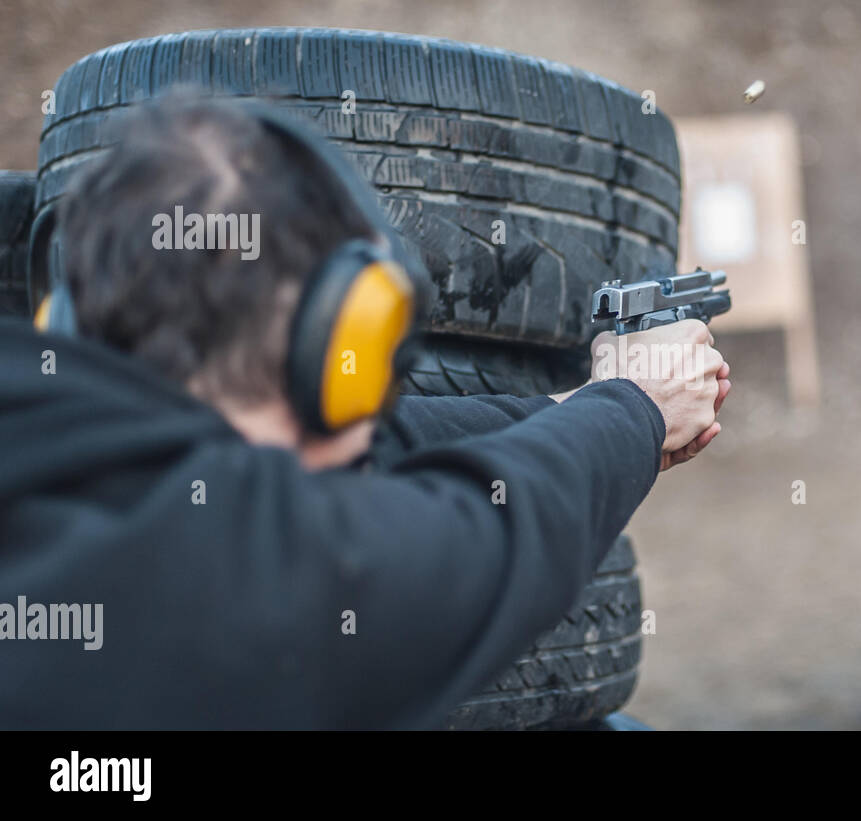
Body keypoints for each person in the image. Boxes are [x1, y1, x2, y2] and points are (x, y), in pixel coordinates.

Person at [0, 94, 730, 728]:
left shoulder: (55, 449)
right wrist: (638, 406)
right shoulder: (220, 576)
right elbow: (480, 540)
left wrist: (567, 404)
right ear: (336, 339)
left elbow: (385, 446)